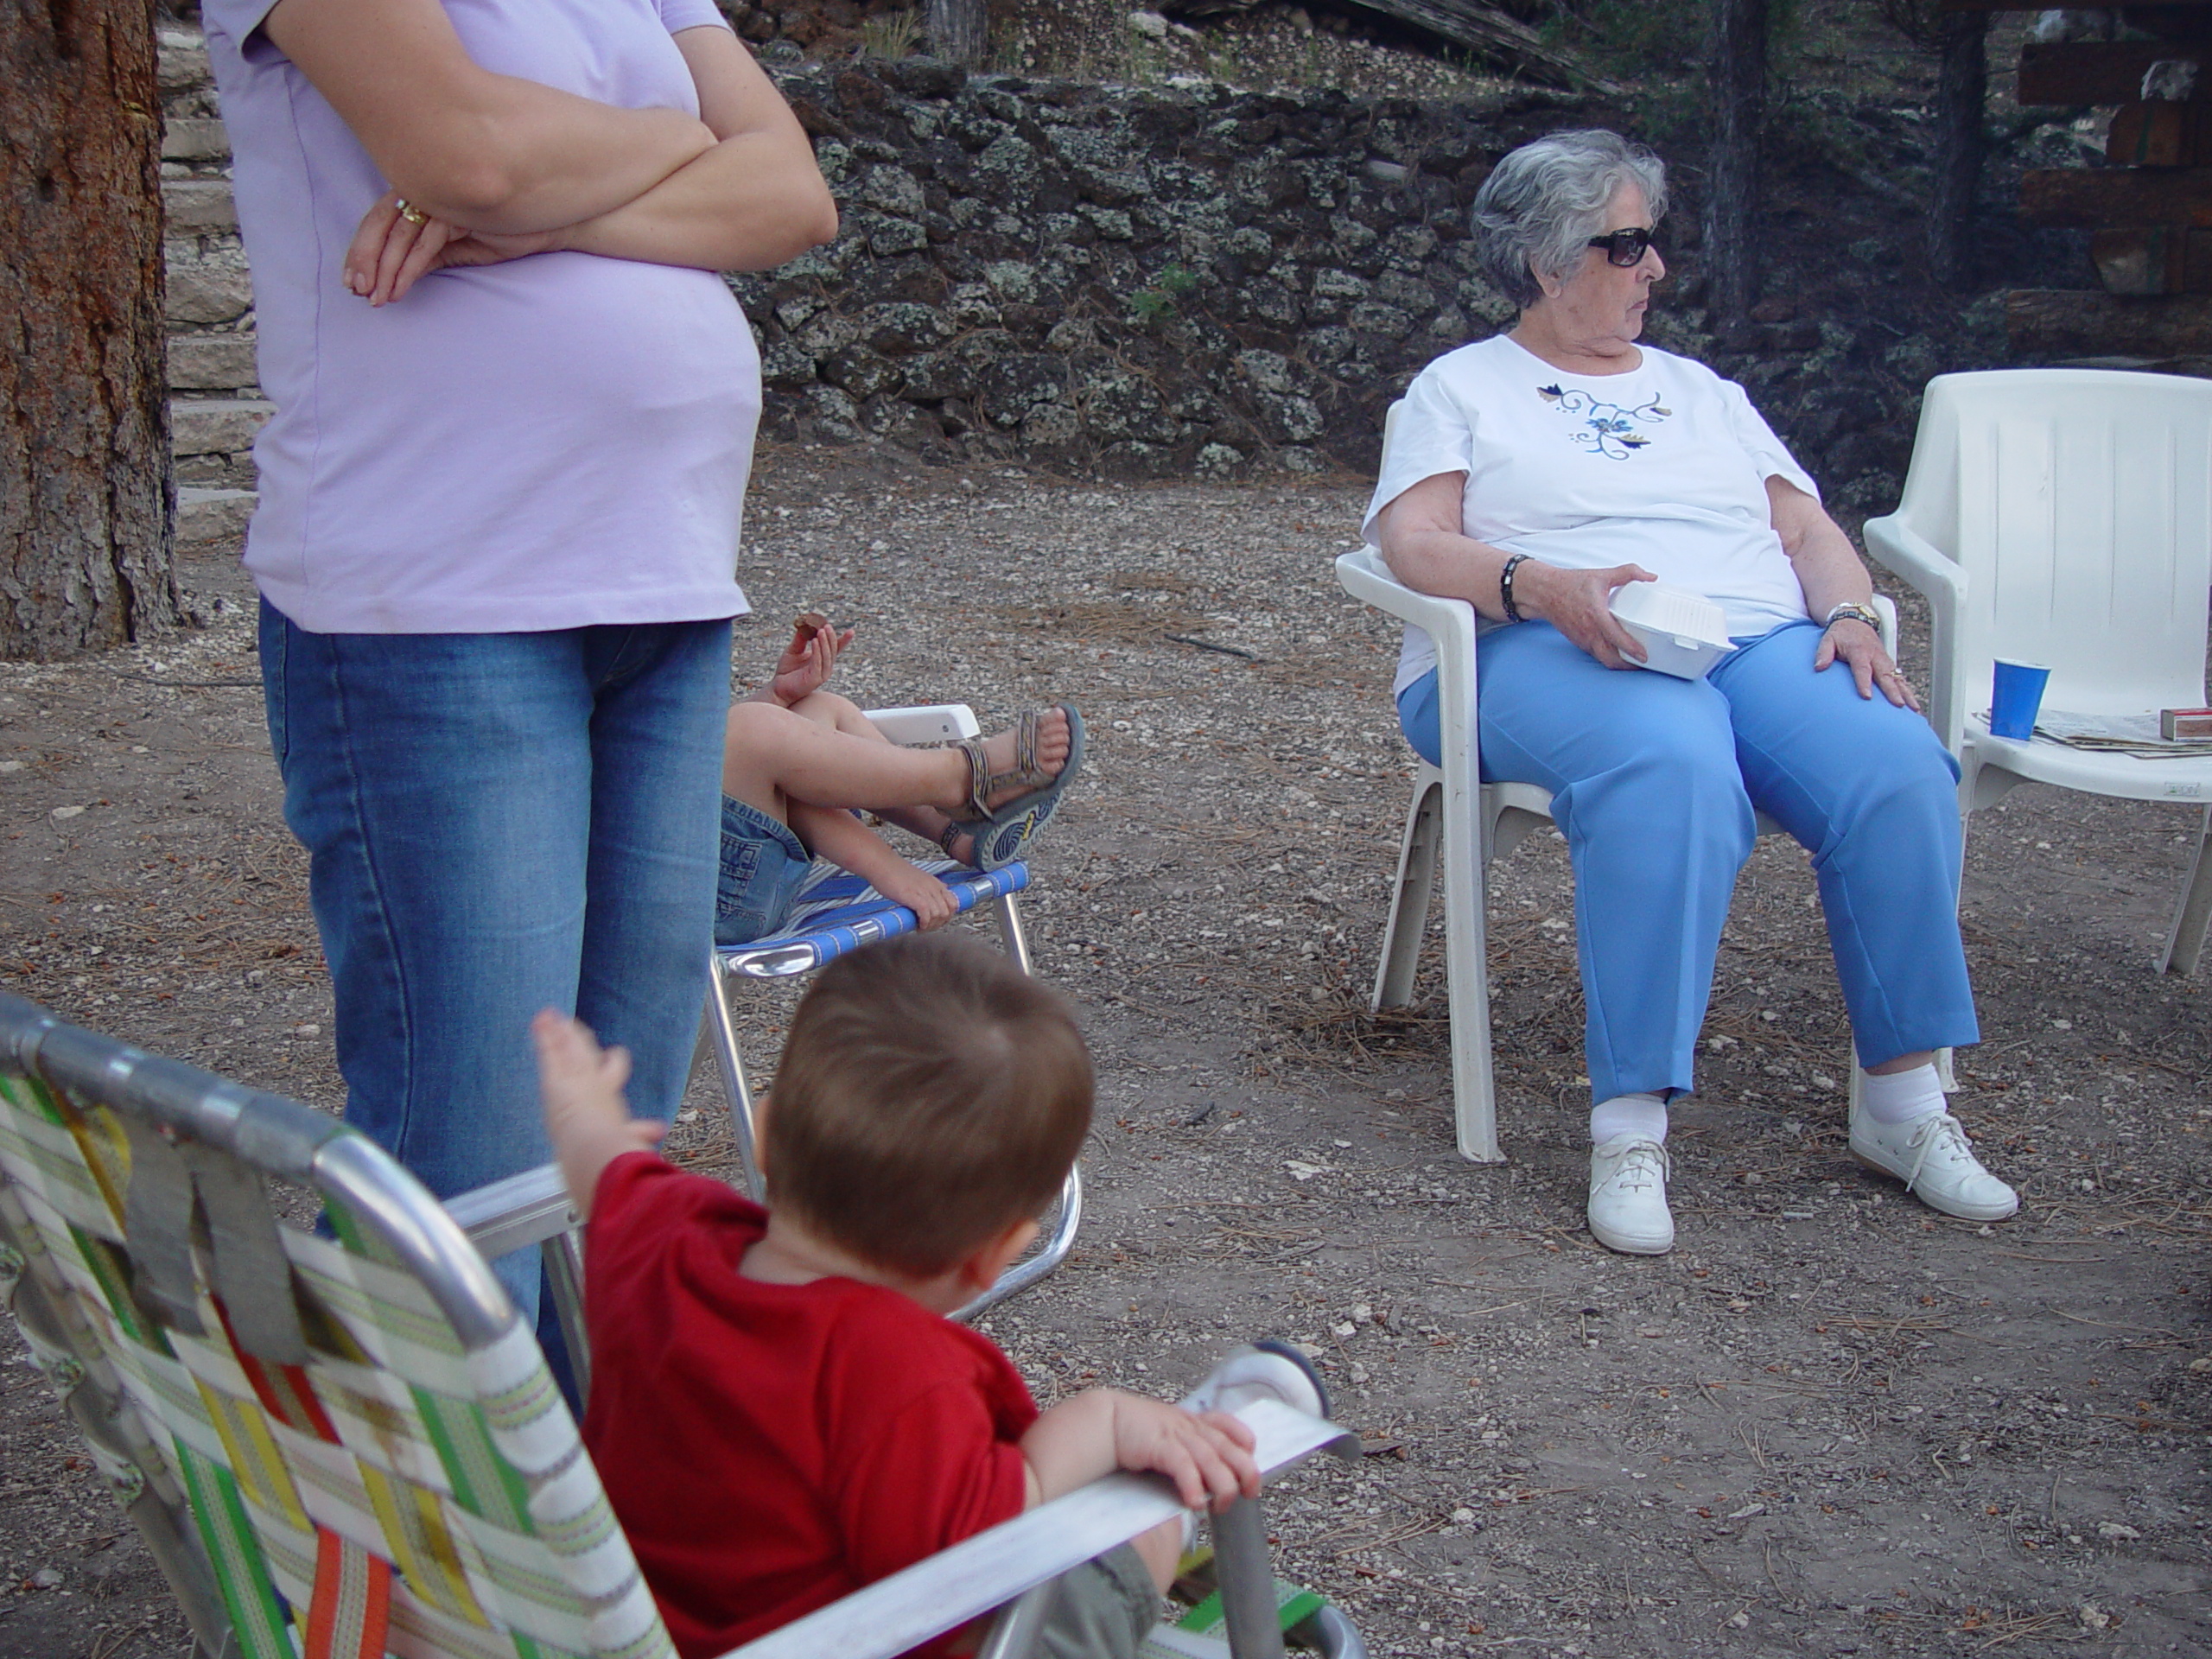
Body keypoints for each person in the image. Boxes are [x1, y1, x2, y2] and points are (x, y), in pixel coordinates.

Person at [200, 0, 837, 1343]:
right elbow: (468, 158)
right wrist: (674, 143)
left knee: (620, 1131)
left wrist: (545, 207)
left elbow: (788, 194)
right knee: (473, 1150)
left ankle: (580, 1511)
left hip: (661, 584)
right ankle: (424, 1538)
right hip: (434, 597)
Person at [1367, 130, 2016, 1255]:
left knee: (1898, 762)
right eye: (1625, 246)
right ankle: (1630, 1124)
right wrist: (1543, 587)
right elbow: (1412, 545)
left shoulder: (1704, 393)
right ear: (1543, 261)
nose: (1654, 269)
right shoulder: (1461, 389)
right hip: (1536, 643)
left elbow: (1808, 530)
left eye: (1650, 245)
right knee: (1672, 761)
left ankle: (1906, 1106)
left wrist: (1854, 616)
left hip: (1748, 637)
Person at [531, 933, 1262, 1659]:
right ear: (995, 1256)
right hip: (845, 1636)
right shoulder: (895, 1377)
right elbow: (982, 1552)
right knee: (1140, 1527)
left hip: (632, 1633)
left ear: (761, 1136)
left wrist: (583, 1112)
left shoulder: (661, 1238)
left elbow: (608, 1167)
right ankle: (1194, 1463)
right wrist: (1105, 1424)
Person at [718, 615, 1084, 944]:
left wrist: (776, 696)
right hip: (704, 905)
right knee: (753, 734)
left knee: (818, 708)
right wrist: (886, 867)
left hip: (733, 869)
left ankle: (956, 830)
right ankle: (966, 779)